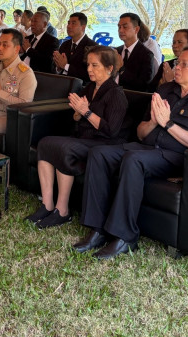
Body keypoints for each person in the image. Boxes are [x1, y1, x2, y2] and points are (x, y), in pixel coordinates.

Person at [73, 44, 188, 259]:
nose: (176, 67)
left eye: (183, 64)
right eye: (177, 62)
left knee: (133, 159)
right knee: (99, 153)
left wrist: (168, 124)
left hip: (175, 156)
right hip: (146, 147)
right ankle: (98, 229)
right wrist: (153, 121)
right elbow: (141, 133)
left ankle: (125, 237)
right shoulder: (165, 90)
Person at [27, 46, 129, 229]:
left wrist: (86, 112)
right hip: (83, 137)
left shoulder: (116, 94)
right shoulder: (90, 88)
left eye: (95, 65)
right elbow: (76, 118)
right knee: (45, 143)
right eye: (88, 65)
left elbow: (111, 131)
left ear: (109, 68)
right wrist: (78, 112)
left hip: (104, 143)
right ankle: (47, 205)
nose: (89, 69)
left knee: (64, 149)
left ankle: (62, 211)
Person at [114, 12, 155, 92]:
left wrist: (121, 69)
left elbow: (144, 85)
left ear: (136, 29)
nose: (121, 30)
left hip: (133, 97)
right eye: (119, 27)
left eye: (125, 27)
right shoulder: (116, 51)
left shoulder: (146, 55)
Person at [53, 12, 95, 84]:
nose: (69, 26)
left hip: (80, 86)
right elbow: (56, 70)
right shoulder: (64, 44)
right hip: (61, 83)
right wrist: (58, 67)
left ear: (83, 27)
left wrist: (65, 66)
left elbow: (88, 74)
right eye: (68, 23)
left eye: (73, 23)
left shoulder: (92, 47)